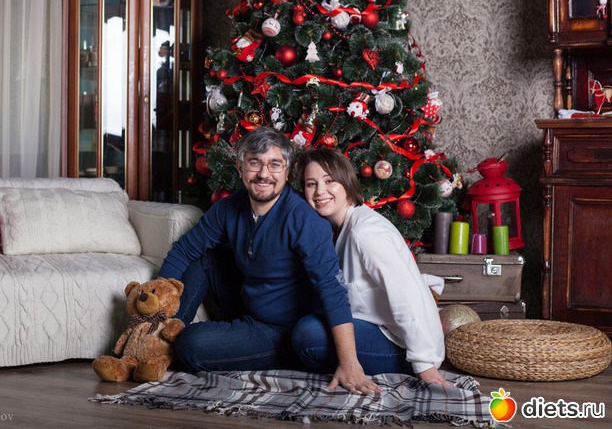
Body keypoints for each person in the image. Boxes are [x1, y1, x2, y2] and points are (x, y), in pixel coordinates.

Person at [158, 127, 380, 395]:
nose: (264, 174)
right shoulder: (229, 208)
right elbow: (184, 250)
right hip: (248, 304)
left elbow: (331, 288)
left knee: (191, 344)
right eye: (255, 163)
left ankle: (241, 348)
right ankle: (155, 342)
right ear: (240, 168)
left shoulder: (304, 219)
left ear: (287, 172)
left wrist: (349, 362)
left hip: (282, 331)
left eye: (274, 164)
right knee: (203, 257)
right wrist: (154, 309)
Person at [293, 147, 449, 386]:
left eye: (329, 181)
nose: (320, 191)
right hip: (376, 329)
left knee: (308, 334)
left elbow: (405, 295)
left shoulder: (365, 232)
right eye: (311, 184)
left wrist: (423, 363)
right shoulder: (336, 231)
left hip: (403, 345)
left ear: (346, 184)